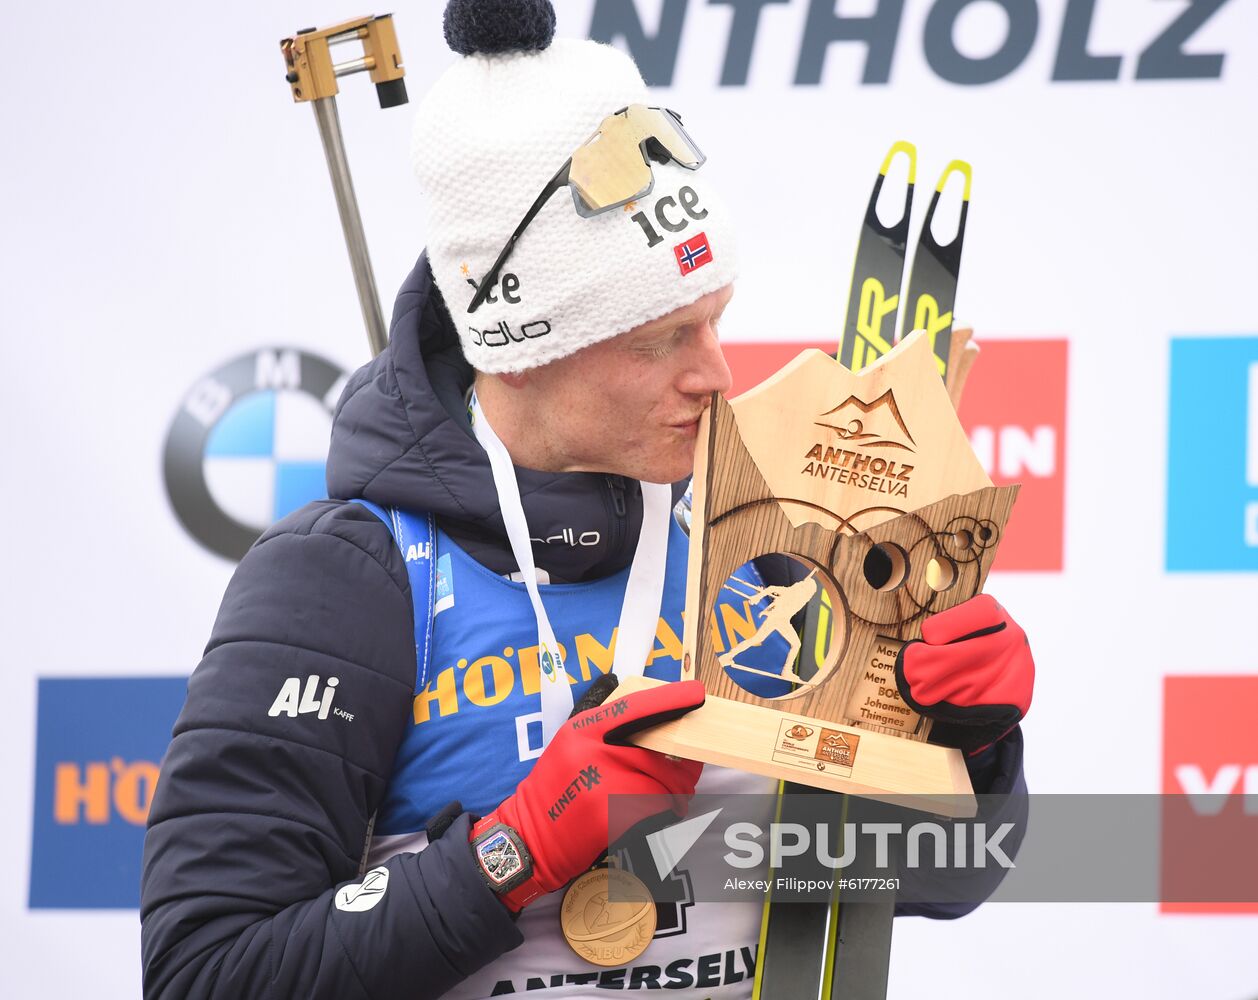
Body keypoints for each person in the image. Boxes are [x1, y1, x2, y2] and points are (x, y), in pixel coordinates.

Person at [140, 2, 1033, 997]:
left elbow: (935, 879)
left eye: (713, 322)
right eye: (657, 341)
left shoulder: (755, 526)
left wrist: (970, 744)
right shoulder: (349, 577)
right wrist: (510, 853)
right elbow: (206, 973)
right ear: (519, 354)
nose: (718, 377)